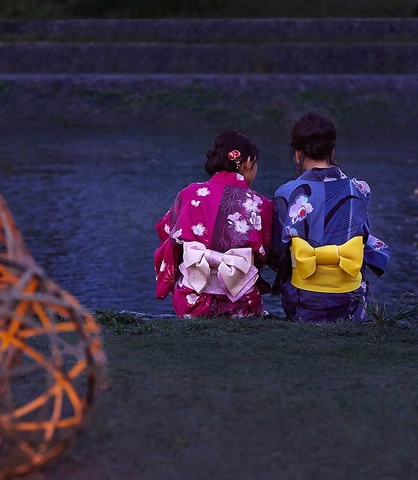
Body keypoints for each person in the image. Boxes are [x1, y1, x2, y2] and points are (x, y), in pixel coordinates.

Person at [270, 111, 391, 323]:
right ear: (332, 151)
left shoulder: (286, 192)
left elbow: (277, 253)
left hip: (302, 298)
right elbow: (362, 238)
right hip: (351, 299)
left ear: (297, 154)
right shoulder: (360, 189)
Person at [154, 129, 273, 318]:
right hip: (241, 302)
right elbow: (265, 254)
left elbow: (168, 240)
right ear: (248, 162)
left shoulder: (188, 194)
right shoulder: (261, 204)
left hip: (191, 300)